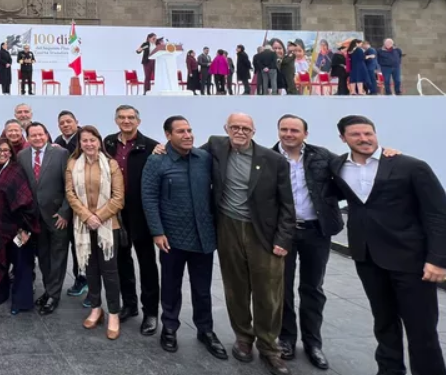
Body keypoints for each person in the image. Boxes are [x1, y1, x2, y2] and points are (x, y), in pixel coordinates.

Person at [330, 115, 446, 375]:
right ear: (343, 138)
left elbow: (438, 214)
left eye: (368, 133)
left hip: (411, 260)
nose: (364, 139)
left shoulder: (411, 166)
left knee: (422, 330)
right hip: (367, 258)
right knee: (383, 324)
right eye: (356, 135)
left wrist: (439, 259)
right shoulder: (336, 166)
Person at [205, 113, 294, 375]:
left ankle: (269, 347)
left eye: (245, 128)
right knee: (235, 287)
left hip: (263, 233)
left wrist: (282, 239)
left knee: (268, 292)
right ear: (226, 129)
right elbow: (188, 153)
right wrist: (161, 148)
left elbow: (287, 204)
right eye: (235, 127)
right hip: (228, 227)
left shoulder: (273, 160)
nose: (240, 132)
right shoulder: (216, 146)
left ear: (254, 131)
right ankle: (243, 338)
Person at [141, 116, 226, 360]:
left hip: (203, 236)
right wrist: (157, 232)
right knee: (170, 286)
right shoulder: (156, 160)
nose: (188, 135)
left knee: (202, 289)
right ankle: (169, 327)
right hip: (171, 238)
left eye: (189, 130)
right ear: (167, 136)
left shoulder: (204, 158)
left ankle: (205, 330)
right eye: (181, 131)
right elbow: (148, 197)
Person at [273, 115, 343, 370]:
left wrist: (387, 153)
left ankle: (313, 343)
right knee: (282, 289)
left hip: (316, 231)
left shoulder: (323, 156)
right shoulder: (268, 157)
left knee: (313, 288)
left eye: (294, 130)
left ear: (305, 133)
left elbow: (353, 168)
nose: (288, 134)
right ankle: (287, 339)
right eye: (284, 129)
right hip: (283, 232)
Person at [103, 105, 160, 336]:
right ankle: (130, 304)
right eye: (122, 117)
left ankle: (151, 312)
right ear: (116, 120)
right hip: (116, 213)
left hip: (142, 213)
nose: (126, 121)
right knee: (122, 262)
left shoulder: (152, 147)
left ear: (138, 120)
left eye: (131, 117)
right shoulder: (108, 143)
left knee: (147, 264)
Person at [65, 125, 125, 340]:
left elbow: (118, 197)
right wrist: (86, 216)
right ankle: (96, 308)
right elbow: (70, 194)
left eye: (92, 140)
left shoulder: (111, 164)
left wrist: (98, 216)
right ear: (79, 143)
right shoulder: (73, 164)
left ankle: (114, 313)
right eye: (84, 141)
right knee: (90, 269)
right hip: (83, 225)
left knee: (110, 271)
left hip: (108, 226)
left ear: (99, 141)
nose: (88, 144)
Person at [18, 122, 71, 315]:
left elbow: (69, 186)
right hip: (34, 218)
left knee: (58, 257)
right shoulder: (22, 156)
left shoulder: (61, 154)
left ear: (47, 135)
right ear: (28, 137)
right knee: (44, 257)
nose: (38, 138)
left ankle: (53, 296)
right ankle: (49, 290)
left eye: (41, 134)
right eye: (33, 135)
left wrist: (65, 212)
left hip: (58, 217)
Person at [0, 138, 39, 315]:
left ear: (11, 153)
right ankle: (0, 293)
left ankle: (21, 302)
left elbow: (26, 200)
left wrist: (25, 229)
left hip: (18, 227)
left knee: (22, 264)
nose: (2, 153)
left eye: (6, 150)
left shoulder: (16, 170)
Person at [54, 111, 87, 299]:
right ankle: (78, 277)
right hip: (64, 198)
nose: (65, 125)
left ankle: (84, 279)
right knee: (70, 243)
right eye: (62, 123)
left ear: (77, 122)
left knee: (81, 244)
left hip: (82, 199)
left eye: (69, 121)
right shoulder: (59, 140)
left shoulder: (84, 139)